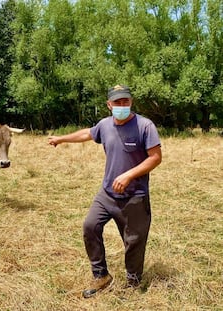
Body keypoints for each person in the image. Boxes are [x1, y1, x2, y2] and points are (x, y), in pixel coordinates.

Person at [48, 84, 162, 298]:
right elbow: (87, 134)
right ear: (109, 105)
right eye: (117, 102)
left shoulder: (145, 126)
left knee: (133, 241)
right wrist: (61, 139)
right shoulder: (105, 125)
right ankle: (101, 275)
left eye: (125, 101)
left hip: (134, 196)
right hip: (107, 194)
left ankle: (133, 283)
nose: (122, 105)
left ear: (131, 102)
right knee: (90, 226)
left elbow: (155, 158)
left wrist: (129, 175)